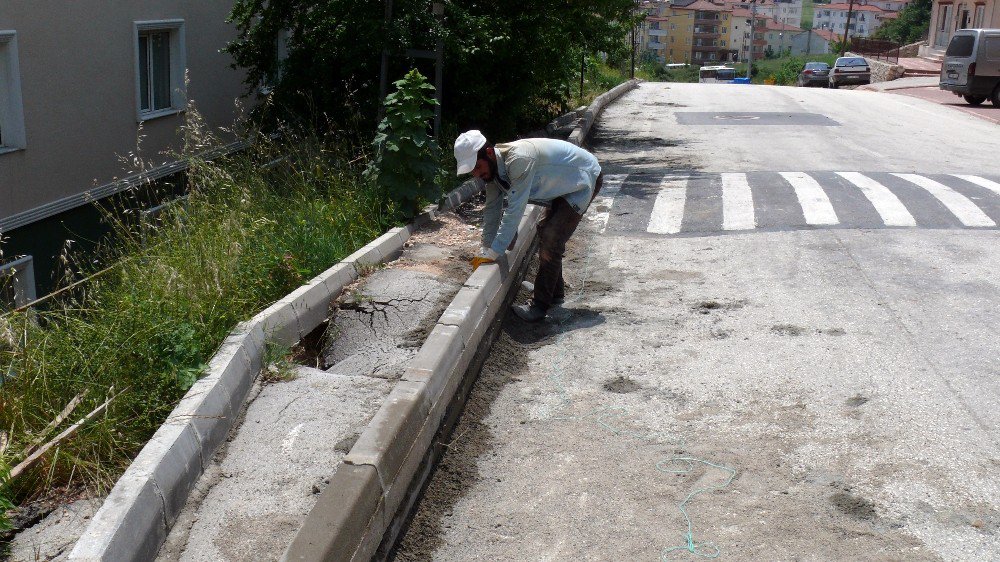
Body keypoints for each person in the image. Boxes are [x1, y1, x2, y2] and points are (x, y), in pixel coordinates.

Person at [453, 130, 603, 322]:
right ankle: (554, 293)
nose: (476, 174)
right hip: (562, 184)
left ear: (489, 153)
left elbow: (515, 209)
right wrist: (486, 248)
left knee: (551, 237)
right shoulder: (493, 171)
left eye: (476, 167)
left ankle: (539, 306)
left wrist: (495, 251)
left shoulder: (518, 160)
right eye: (472, 171)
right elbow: (491, 209)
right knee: (545, 231)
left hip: (582, 179)